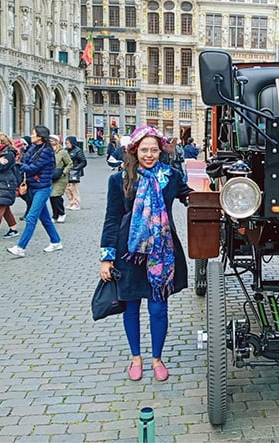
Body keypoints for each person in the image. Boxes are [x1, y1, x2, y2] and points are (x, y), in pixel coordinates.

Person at [98, 125, 192, 381]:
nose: (149, 155)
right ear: (134, 151)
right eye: (144, 150)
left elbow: (189, 196)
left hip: (161, 253)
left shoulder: (171, 176)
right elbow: (111, 219)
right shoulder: (119, 180)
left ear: (160, 151)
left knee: (158, 308)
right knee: (131, 308)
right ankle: (136, 358)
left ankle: (157, 358)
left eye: (154, 150)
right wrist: (106, 258)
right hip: (129, 253)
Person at [6, 125, 62, 258]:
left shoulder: (47, 151)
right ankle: (56, 241)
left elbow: (33, 168)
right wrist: (24, 165)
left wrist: (23, 166)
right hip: (33, 186)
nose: (31, 136)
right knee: (45, 218)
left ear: (40, 137)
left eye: (33, 134)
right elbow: (25, 162)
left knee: (31, 217)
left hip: (42, 188)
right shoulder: (33, 148)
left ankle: (20, 247)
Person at [48, 135, 72, 223]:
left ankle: (61, 213)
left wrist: (64, 172)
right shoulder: (48, 151)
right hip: (51, 176)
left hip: (61, 178)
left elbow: (69, 163)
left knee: (56, 196)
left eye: (52, 140)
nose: (50, 141)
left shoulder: (62, 152)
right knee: (52, 196)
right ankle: (55, 214)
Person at [65, 136, 87, 211]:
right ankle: (71, 202)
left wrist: (76, 168)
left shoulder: (78, 151)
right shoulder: (66, 150)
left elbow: (83, 162)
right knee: (67, 188)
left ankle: (76, 203)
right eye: (66, 143)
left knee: (74, 188)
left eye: (68, 143)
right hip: (68, 171)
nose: (67, 144)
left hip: (75, 173)